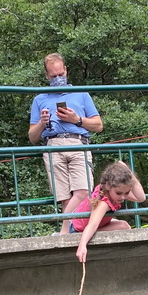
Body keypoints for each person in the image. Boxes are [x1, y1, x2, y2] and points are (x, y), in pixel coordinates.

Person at [28, 53, 104, 234]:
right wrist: (42, 122)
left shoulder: (81, 94)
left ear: (66, 71)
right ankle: (72, 232)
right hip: (53, 145)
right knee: (64, 198)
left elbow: (99, 125)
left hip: (78, 143)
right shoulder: (39, 99)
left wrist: (76, 119)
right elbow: (32, 137)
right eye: (53, 76)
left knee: (84, 192)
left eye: (61, 74)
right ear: (47, 76)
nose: (58, 79)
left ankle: (64, 230)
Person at [72, 161, 146, 263]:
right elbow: (92, 225)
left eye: (127, 193)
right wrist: (82, 245)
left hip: (84, 225)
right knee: (123, 226)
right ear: (108, 185)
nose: (123, 197)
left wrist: (129, 173)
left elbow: (141, 197)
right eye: (119, 193)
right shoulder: (103, 203)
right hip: (77, 230)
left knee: (124, 225)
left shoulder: (115, 190)